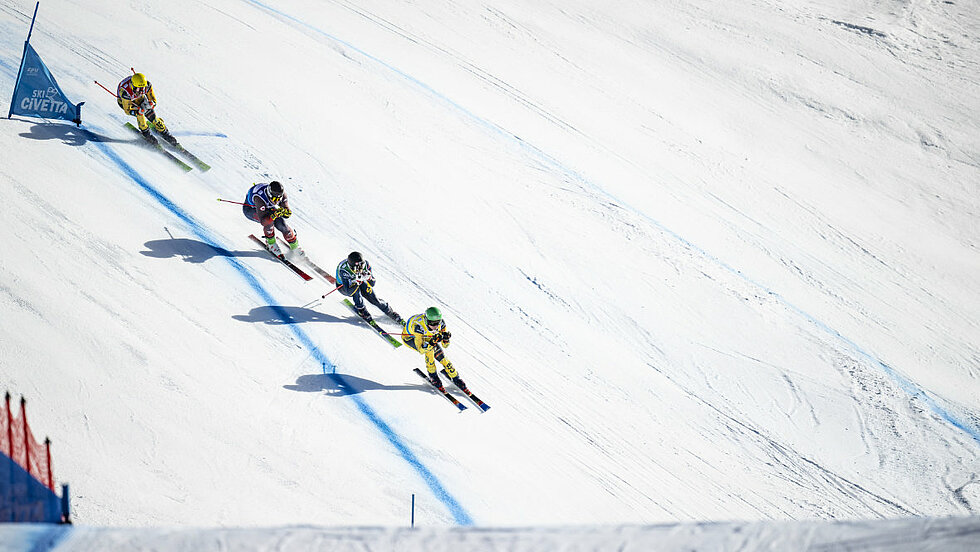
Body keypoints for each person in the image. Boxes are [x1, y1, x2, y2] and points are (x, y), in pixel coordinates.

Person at [403, 307, 465, 389]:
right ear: (426, 321)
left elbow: (445, 346)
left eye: (437, 323)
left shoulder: (441, 324)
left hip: (428, 338)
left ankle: (455, 377)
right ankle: (433, 375)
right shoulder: (417, 327)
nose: (435, 326)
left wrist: (445, 339)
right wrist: (432, 343)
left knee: (441, 356)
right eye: (432, 323)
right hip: (411, 339)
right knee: (430, 351)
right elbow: (421, 350)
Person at [336, 252, 403, 325]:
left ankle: (389, 311)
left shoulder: (366, 265)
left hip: (359, 281)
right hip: (343, 287)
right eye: (358, 267)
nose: (360, 269)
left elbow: (372, 284)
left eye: (362, 265)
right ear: (352, 267)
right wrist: (356, 281)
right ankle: (361, 309)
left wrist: (369, 278)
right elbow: (348, 291)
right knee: (356, 291)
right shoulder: (344, 270)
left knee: (372, 297)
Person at [117, 72, 177, 147]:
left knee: (151, 114)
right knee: (140, 114)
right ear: (132, 86)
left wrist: (151, 104)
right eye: (138, 89)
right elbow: (127, 111)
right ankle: (146, 132)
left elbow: (153, 100)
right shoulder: (125, 92)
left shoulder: (147, 86)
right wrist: (137, 111)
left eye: (143, 88)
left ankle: (165, 132)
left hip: (139, 99)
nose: (141, 91)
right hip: (125, 102)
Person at [243, 181, 300, 256]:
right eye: (274, 198)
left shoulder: (282, 196)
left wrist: (286, 212)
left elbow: (286, 212)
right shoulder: (259, 198)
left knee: (281, 224)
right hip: (251, 209)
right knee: (269, 223)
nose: (276, 201)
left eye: (278, 199)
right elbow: (264, 221)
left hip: (268, 208)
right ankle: (271, 243)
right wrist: (274, 215)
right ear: (269, 195)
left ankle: (295, 246)